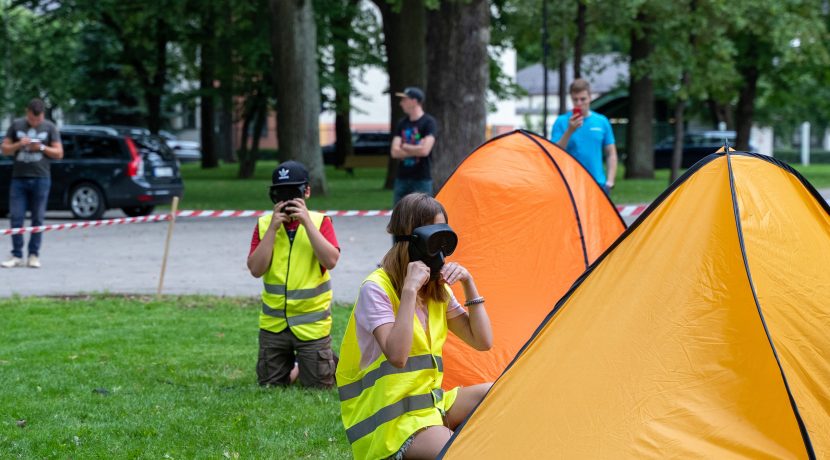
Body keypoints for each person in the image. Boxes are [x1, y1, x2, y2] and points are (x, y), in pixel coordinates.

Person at [337, 193, 493, 459]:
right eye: (434, 239)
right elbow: (397, 356)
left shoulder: (436, 289)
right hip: (389, 422)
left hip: (429, 405)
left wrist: (469, 283)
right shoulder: (376, 289)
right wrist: (409, 291)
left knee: (499, 395)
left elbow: (482, 341)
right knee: (459, 452)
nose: (440, 252)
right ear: (411, 239)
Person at [247, 160, 340, 389]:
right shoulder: (264, 224)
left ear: (306, 192)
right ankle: (298, 365)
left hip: (311, 326)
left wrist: (306, 222)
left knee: (318, 387)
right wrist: (272, 229)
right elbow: (256, 270)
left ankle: (315, 362)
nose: (287, 200)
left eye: (293, 193)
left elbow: (331, 261)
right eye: (281, 193)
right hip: (274, 325)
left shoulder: (320, 222)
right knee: (270, 385)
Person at [1, 98, 64, 268]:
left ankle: (34, 255)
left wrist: (42, 148)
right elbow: (4, 149)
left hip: (41, 178)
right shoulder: (16, 125)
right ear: (27, 112)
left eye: (38, 119)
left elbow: (59, 153)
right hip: (19, 179)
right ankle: (16, 255)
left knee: (37, 218)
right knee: (16, 217)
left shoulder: (49, 127)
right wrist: (18, 144)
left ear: (42, 115)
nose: (35, 122)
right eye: (32, 119)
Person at [550, 78, 618, 194]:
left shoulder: (601, 121)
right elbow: (554, 152)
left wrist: (610, 181)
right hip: (569, 184)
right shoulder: (561, 121)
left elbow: (611, 153)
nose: (579, 103)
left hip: (598, 184)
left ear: (590, 98)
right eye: (575, 100)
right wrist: (570, 130)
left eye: (583, 99)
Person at [390, 87, 438, 205]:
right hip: (402, 178)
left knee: (423, 216)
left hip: (422, 179)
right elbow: (394, 152)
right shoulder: (402, 123)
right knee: (399, 216)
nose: (401, 103)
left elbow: (425, 151)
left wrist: (405, 146)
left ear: (415, 101)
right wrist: (416, 148)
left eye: (404, 100)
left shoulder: (429, 122)